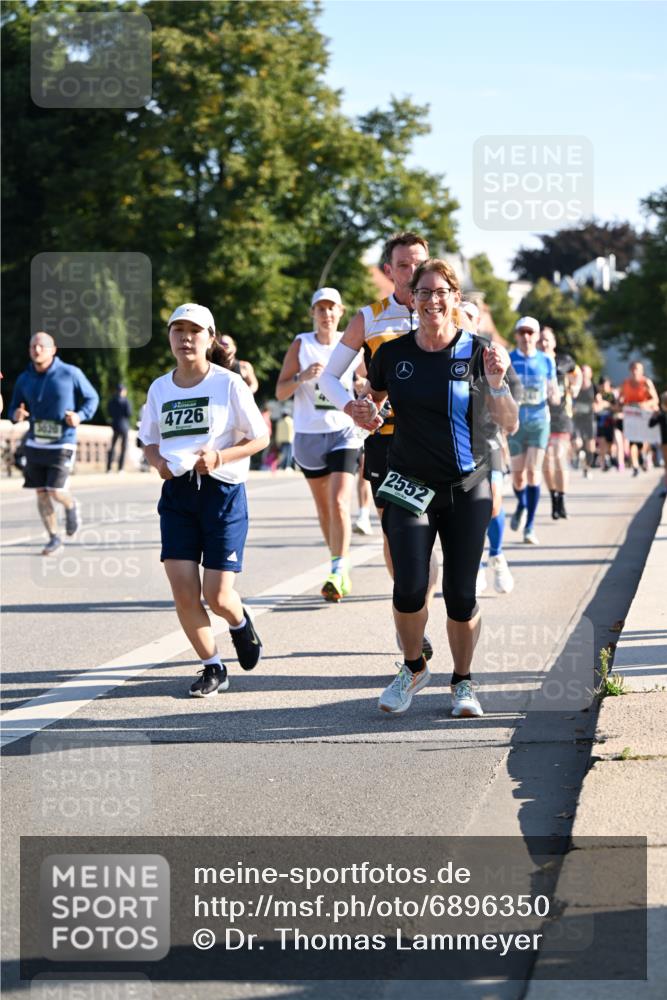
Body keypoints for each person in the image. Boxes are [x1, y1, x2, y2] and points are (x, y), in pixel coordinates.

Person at [353, 259, 518, 718]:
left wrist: (500, 383)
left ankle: (463, 682)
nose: (431, 300)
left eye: (440, 292)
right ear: (413, 300)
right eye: (423, 292)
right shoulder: (391, 354)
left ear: (455, 299)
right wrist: (366, 412)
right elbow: (375, 404)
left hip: (467, 486)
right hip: (408, 483)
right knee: (408, 587)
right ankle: (413, 667)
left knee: (461, 596)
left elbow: (510, 423)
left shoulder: (479, 353)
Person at [139, 303, 269, 697]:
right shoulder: (160, 387)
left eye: (194, 331)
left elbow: (259, 437)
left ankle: (239, 622)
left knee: (217, 595)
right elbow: (148, 437)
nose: (185, 338)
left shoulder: (228, 384)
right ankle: (213, 666)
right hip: (178, 494)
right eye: (177, 331)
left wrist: (219, 457)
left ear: (210, 338)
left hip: (222, 493)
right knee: (182, 590)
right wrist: (158, 460)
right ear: (170, 338)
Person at [319, 232, 437, 657]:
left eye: (416, 264)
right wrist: (352, 407)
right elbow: (328, 377)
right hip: (388, 441)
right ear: (389, 271)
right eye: (401, 266)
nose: (410, 273)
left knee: (432, 537)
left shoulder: (446, 311)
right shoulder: (369, 317)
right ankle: (412, 616)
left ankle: (418, 606)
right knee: (397, 535)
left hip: (436, 442)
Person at [275, 287, 361, 601]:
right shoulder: (302, 343)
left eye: (331, 309)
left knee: (340, 502)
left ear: (340, 312)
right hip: (308, 435)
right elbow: (280, 392)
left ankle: (338, 571)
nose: (326, 315)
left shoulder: (350, 343)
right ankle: (338, 560)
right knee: (324, 509)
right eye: (320, 309)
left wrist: (361, 385)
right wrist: (301, 376)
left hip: (343, 432)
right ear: (313, 313)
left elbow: (365, 381)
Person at [9, 332, 99, 555]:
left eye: (41, 346)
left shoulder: (70, 373)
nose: (36, 350)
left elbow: (92, 398)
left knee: (56, 490)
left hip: (63, 442)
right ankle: (53, 537)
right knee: (41, 493)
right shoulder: (24, 378)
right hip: (35, 443)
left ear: (53, 349)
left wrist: (80, 415)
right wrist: (16, 414)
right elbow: (13, 408)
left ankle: (70, 505)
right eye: (32, 347)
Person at [459, 301, 519, 597]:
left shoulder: (492, 353)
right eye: (458, 314)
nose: (462, 320)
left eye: (468, 315)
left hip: (489, 440)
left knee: (492, 504)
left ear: (478, 319)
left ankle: (496, 554)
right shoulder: (442, 351)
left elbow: (513, 396)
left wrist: (509, 413)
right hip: (456, 444)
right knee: (466, 510)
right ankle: (477, 561)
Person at [508, 317, 560, 544]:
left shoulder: (546, 361)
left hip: (539, 421)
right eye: (522, 333)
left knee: (532, 471)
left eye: (530, 333)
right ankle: (522, 504)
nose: (526, 337)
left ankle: (529, 526)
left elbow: (553, 390)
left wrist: (555, 396)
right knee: (518, 477)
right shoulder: (508, 359)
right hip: (516, 424)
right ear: (517, 335)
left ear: (537, 336)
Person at [537, 326, 581, 520]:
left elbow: (577, 374)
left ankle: (561, 498)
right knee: (547, 461)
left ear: (554, 342)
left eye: (547, 339)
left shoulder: (564, 360)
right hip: (540, 416)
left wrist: (576, 387)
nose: (544, 343)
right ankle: (554, 498)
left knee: (559, 457)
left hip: (561, 416)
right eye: (541, 340)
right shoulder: (534, 361)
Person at [619, 361, 659, 476]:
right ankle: (635, 466)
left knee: (643, 440)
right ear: (630, 370)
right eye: (633, 369)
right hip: (631, 416)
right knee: (632, 441)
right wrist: (621, 405)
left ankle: (644, 455)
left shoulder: (646, 382)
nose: (635, 371)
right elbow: (620, 399)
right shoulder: (625, 383)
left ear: (642, 371)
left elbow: (655, 399)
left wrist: (643, 405)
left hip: (644, 415)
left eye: (638, 369)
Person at [572, 365, 598, 478]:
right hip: (576, 418)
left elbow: (600, 401)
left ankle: (587, 467)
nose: (583, 374)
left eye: (586, 372)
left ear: (590, 374)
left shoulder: (594, 387)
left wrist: (597, 406)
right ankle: (579, 456)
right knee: (577, 442)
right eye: (582, 371)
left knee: (590, 445)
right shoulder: (574, 386)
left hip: (589, 418)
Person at [107, 383, 132, 472]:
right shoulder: (126, 401)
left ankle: (109, 468)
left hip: (115, 425)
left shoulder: (112, 401)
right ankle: (120, 468)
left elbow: (109, 412)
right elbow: (129, 413)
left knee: (112, 447)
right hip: (124, 426)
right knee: (123, 447)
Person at [649, 391, 667, 497]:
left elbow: (651, 424)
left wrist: (653, 415)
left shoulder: (661, 415)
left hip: (665, 443)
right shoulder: (661, 415)